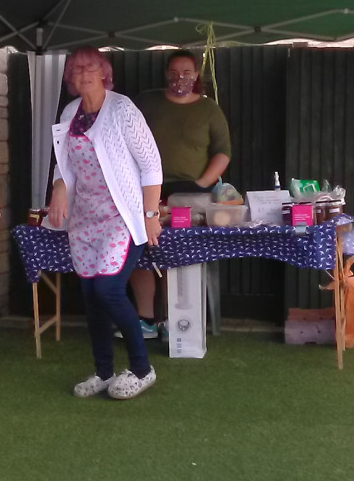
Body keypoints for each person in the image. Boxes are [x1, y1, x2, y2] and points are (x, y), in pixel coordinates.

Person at [48, 47, 163, 399]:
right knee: (91, 296)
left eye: (90, 68)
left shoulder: (123, 110)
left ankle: (143, 369)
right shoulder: (71, 112)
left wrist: (151, 215)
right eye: (76, 69)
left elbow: (151, 164)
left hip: (122, 217)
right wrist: (58, 190)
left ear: (104, 73)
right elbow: (64, 165)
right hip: (85, 219)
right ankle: (103, 371)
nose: (83, 74)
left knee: (108, 290)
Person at [129, 50, 231, 336]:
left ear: (197, 74)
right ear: (165, 73)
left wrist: (202, 183)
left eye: (186, 72)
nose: (179, 78)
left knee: (176, 253)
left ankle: (175, 323)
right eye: (174, 72)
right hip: (146, 190)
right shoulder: (147, 102)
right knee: (140, 251)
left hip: (190, 195)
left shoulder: (209, 109)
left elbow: (223, 151)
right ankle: (145, 320)